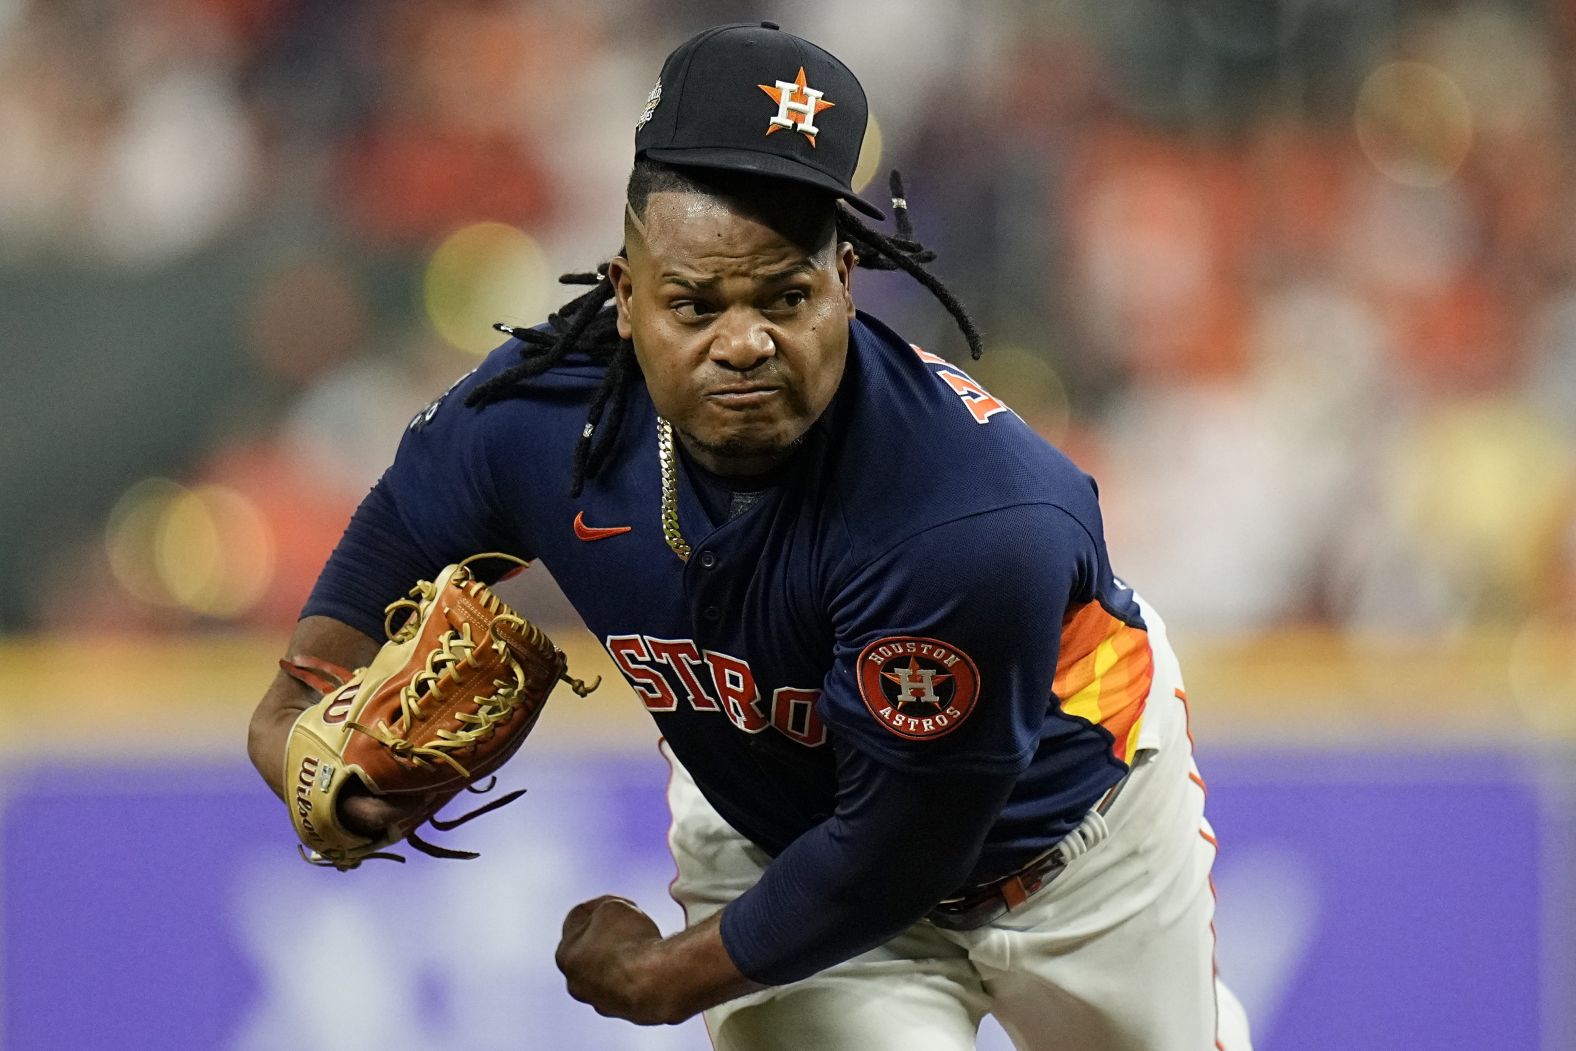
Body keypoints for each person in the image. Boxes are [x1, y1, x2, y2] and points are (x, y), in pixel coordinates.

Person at [246, 21, 1252, 1051]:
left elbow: (894, 852)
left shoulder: (970, 518)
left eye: (786, 296)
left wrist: (663, 975)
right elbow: (304, 680)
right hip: (782, 842)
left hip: (1078, 845)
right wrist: (307, 762)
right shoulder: (528, 424)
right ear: (626, 298)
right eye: (693, 303)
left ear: (845, 282)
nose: (743, 342)